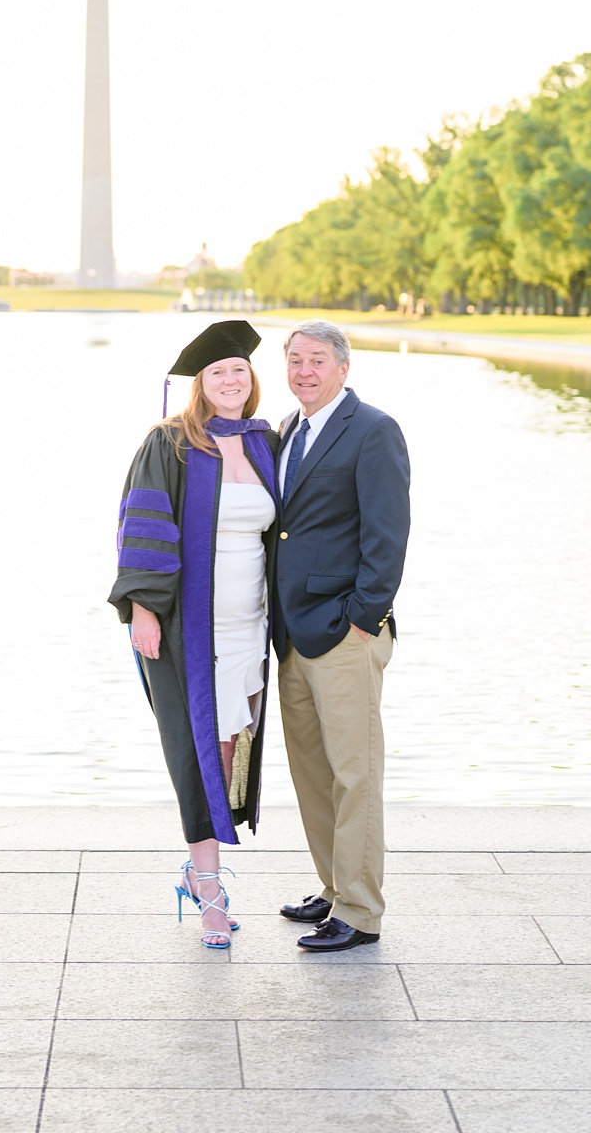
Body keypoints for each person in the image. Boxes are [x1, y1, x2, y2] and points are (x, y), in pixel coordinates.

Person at [106, 319, 281, 950]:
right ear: (200, 385)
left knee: (228, 744)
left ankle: (195, 868)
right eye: (217, 373)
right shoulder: (172, 443)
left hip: (247, 627)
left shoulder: (265, 443)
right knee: (193, 747)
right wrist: (142, 609)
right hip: (184, 626)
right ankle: (209, 889)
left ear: (250, 379)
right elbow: (141, 523)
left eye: (238, 370)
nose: (230, 380)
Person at [268, 319, 411, 954]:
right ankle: (332, 888)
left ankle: (361, 910)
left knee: (356, 773)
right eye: (295, 359)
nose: (304, 371)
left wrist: (362, 615)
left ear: (343, 367)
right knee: (313, 771)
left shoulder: (374, 431)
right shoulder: (288, 429)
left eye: (317, 360)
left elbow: (388, 536)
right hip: (293, 631)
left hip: (345, 632)